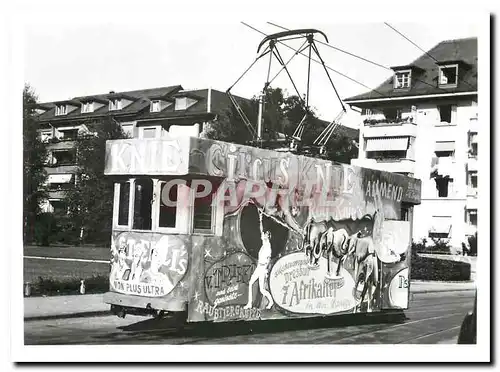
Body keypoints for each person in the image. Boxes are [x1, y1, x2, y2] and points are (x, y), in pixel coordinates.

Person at [244, 209, 274, 310]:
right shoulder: (264, 243)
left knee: (257, 287)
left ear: (268, 237)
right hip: (259, 267)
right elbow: (261, 230)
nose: (264, 235)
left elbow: (269, 259)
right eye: (264, 234)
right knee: (256, 286)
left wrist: (266, 269)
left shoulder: (268, 246)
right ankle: (250, 304)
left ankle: (269, 302)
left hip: (262, 268)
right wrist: (260, 219)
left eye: (266, 234)